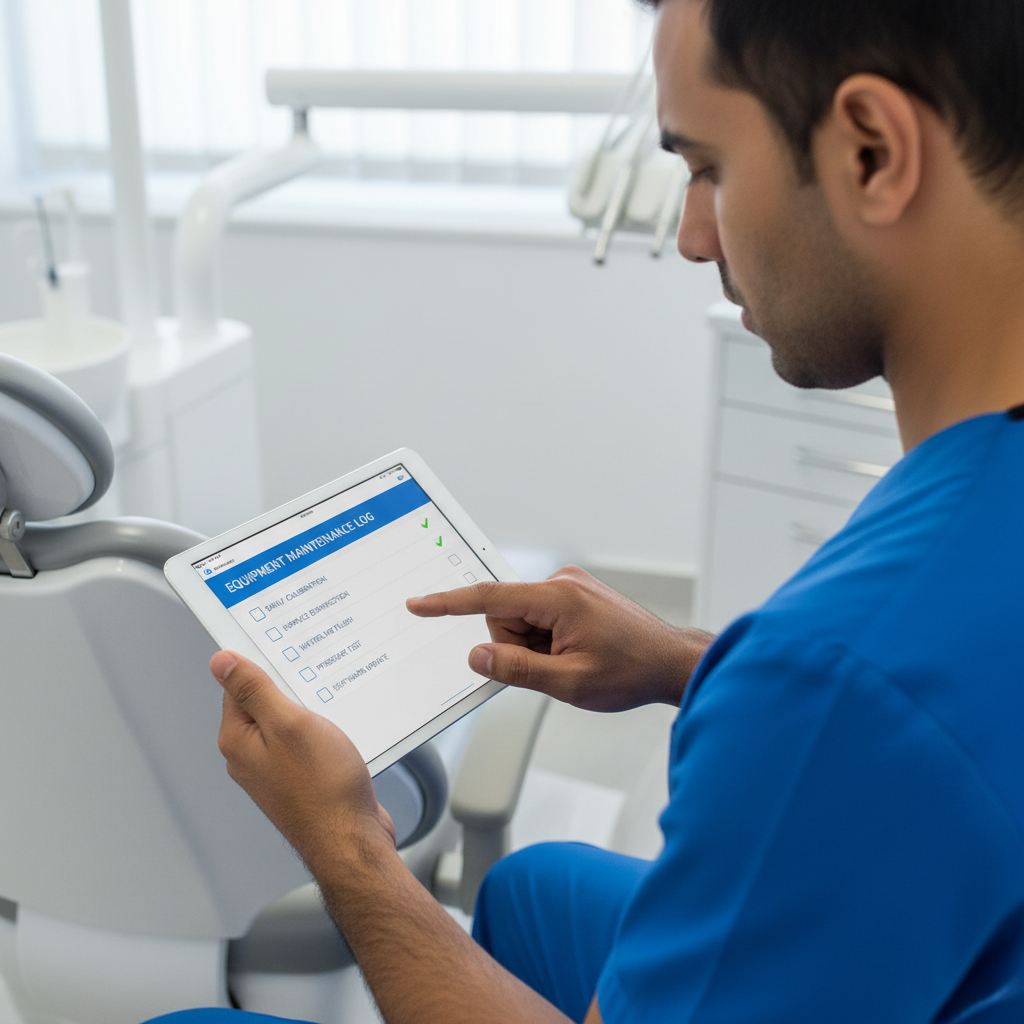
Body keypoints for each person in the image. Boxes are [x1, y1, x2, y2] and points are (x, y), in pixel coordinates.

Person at [153, 0, 1024, 1020]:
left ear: (871, 151)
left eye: (707, 168)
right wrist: (689, 663)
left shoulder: (832, 681)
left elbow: (861, 702)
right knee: (533, 888)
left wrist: (345, 845)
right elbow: (945, 710)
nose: (695, 236)